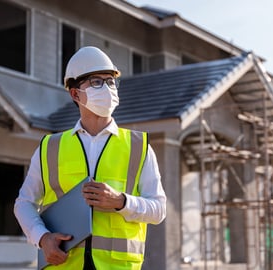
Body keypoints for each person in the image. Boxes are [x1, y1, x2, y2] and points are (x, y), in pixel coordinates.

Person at [14, 46, 166, 270]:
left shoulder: (138, 146)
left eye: (111, 81)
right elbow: (24, 203)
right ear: (75, 93)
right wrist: (43, 238)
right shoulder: (50, 147)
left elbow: (159, 209)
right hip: (64, 265)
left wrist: (121, 202)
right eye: (97, 82)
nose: (107, 88)